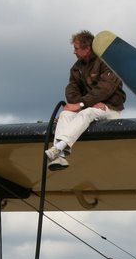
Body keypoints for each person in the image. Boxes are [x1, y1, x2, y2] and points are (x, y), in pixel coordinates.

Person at [44, 30, 126, 171]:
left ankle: (58, 147)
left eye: (76, 48)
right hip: (90, 107)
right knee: (65, 114)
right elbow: (71, 90)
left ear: (87, 48)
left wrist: (82, 104)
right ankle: (59, 157)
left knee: (86, 113)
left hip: (110, 108)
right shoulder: (76, 68)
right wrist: (84, 104)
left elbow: (105, 88)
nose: (74, 52)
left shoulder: (107, 63)